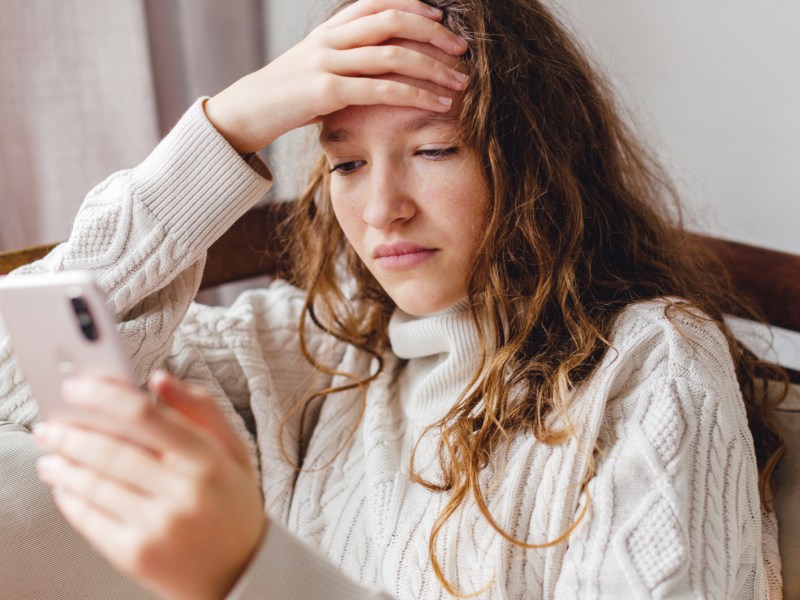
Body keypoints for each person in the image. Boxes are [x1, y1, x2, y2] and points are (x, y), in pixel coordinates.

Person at [0, 0, 787, 598]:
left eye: (434, 150)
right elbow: (16, 375)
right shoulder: (313, 356)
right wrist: (227, 127)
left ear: (539, 166)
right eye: (344, 165)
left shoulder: (650, 364)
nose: (381, 211)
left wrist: (250, 566)